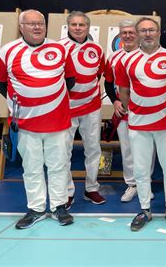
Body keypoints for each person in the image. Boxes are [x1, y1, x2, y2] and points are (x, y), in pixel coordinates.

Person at [0, 9, 75, 228]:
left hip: (58, 122)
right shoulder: (7, 51)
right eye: (31, 24)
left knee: (59, 166)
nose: (38, 27)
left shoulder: (60, 48)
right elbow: (0, 83)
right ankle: (36, 208)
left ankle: (59, 207)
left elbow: (71, 80)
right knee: (32, 167)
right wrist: (25, 102)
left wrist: (48, 101)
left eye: (41, 23)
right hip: (26, 124)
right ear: (21, 27)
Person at [115, 17, 166, 231]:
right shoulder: (125, 61)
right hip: (138, 125)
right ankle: (145, 209)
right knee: (141, 170)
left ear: (159, 32)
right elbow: (124, 92)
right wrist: (138, 110)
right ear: (136, 34)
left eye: (151, 30)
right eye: (143, 30)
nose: (147, 34)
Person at [60, 11, 106, 209]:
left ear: (88, 27)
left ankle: (91, 188)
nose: (78, 28)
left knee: (93, 148)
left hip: (91, 107)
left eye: (82, 25)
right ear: (68, 26)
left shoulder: (97, 48)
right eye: (74, 24)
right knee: (64, 151)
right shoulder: (59, 48)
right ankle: (67, 192)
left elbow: (98, 74)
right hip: (66, 108)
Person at [104, 20, 140, 202]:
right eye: (124, 32)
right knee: (127, 149)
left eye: (131, 32)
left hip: (145, 112)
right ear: (119, 35)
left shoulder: (146, 56)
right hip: (123, 111)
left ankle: (145, 184)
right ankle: (132, 184)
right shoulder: (114, 57)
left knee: (145, 150)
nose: (127, 35)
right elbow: (108, 83)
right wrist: (115, 101)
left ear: (138, 34)